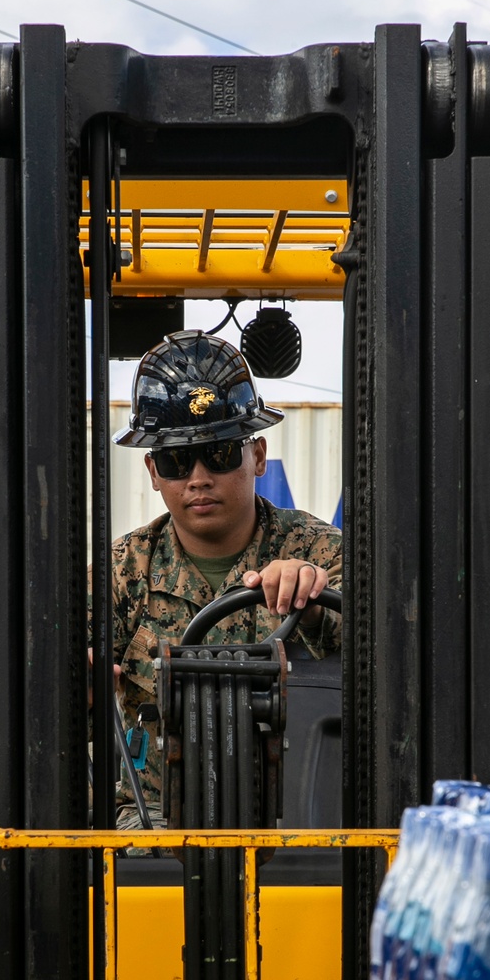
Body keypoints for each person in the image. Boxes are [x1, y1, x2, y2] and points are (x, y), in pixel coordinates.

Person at [91, 329, 342, 828]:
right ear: (153, 471)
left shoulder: (318, 551)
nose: (199, 477)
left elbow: (388, 650)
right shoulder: (122, 570)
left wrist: (312, 602)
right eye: (176, 461)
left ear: (258, 456)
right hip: (154, 817)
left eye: (221, 453)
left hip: (294, 817)